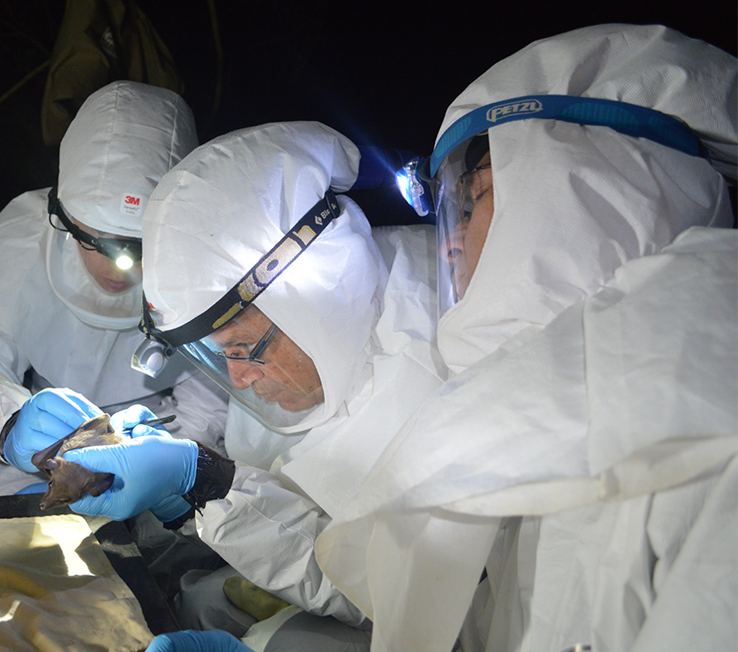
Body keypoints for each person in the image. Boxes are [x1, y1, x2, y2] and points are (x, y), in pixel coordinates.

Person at [312, 24, 737, 652]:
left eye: (476, 198)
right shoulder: (533, 406)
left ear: (599, 186)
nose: (449, 241)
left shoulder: (703, 391)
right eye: (449, 212)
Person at [52, 121, 449, 651]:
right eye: (221, 358)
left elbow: (418, 596)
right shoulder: (308, 359)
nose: (238, 378)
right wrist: (185, 494)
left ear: (315, 302)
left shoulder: (438, 354)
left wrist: (209, 483)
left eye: (244, 350)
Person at [0, 80, 228, 501]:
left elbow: (212, 392)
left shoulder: (205, 256)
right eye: (97, 240)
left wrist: (170, 473)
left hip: (158, 439)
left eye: (140, 246)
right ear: (65, 215)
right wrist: (9, 424)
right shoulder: (21, 240)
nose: (117, 268)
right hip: (37, 457)